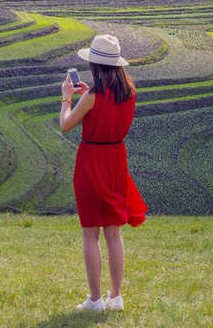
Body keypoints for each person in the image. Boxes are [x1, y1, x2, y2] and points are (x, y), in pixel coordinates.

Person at [59, 34, 148, 313]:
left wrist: (66, 99)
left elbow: (66, 125)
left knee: (90, 233)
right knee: (113, 232)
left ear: (96, 65)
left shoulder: (92, 95)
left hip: (92, 160)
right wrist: (86, 96)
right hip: (116, 159)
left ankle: (95, 299)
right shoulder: (129, 92)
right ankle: (116, 296)